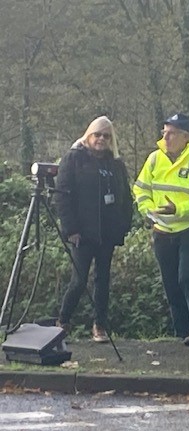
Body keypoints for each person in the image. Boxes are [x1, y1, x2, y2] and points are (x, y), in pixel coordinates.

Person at [133, 113, 189, 346]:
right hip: (161, 230)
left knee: (186, 276)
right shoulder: (154, 159)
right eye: (164, 133)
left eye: (171, 134)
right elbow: (140, 189)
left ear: (186, 137)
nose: (166, 138)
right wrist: (148, 210)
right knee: (170, 281)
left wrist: (177, 209)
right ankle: (181, 332)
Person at [55, 116, 133, 343]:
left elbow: (125, 197)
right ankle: (63, 321)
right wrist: (70, 229)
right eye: (97, 134)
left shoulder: (116, 164)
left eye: (106, 136)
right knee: (79, 280)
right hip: (82, 232)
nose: (101, 139)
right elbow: (62, 197)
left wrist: (124, 225)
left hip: (107, 233)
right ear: (88, 135)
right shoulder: (73, 159)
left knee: (103, 279)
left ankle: (100, 325)